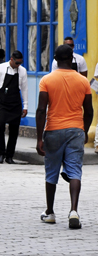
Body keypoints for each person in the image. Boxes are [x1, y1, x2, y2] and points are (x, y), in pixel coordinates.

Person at [36, 44, 93, 229]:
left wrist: (39, 138)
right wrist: (84, 130)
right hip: (76, 129)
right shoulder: (83, 81)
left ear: (55, 59)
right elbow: (89, 110)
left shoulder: (46, 80)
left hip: (53, 130)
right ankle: (74, 211)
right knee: (75, 171)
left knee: (51, 171)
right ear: (72, 59)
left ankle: (50, 212)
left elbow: (41, 110)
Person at [0, 50, 28, 164]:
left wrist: (25, 105)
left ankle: (10, 155)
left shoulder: (22, 71)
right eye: (17, 63)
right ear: (11, 60)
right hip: (2, 101)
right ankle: (1, 153)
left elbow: (25, 89)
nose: (18, 65)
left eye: (20, 63)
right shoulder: (0, 68)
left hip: (15, 102)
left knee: (14, 130)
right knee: (0, 126)